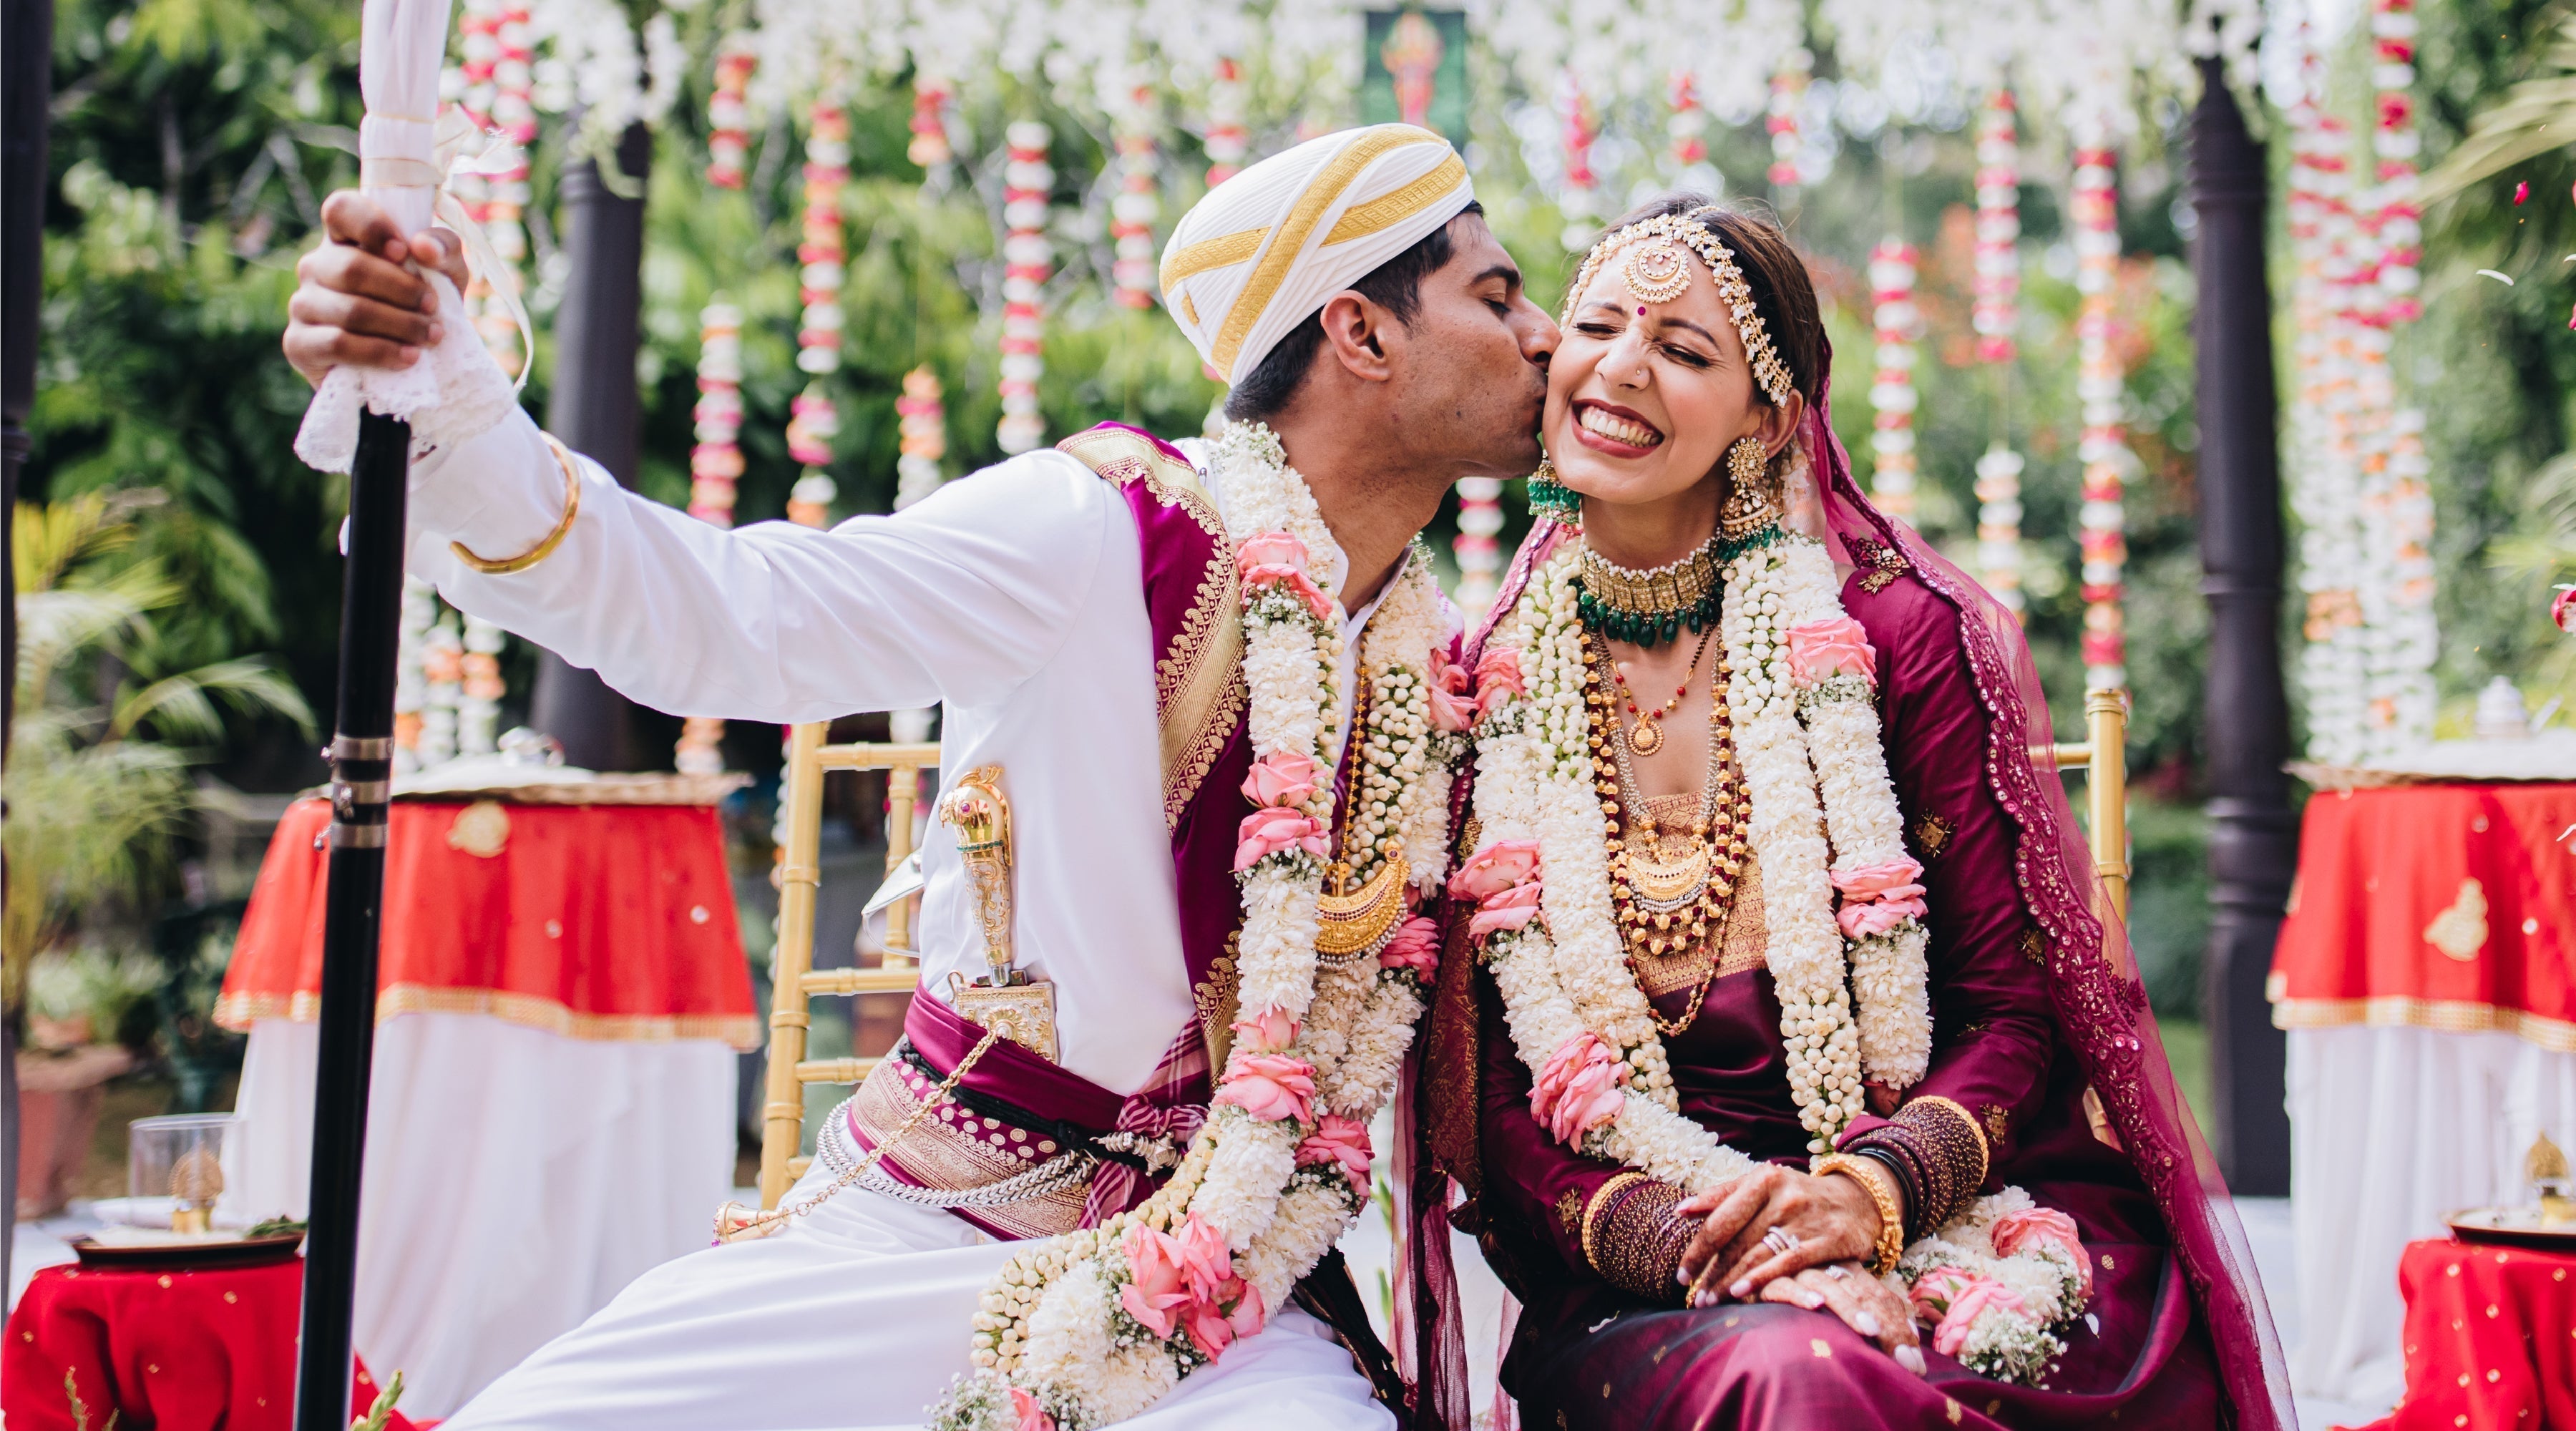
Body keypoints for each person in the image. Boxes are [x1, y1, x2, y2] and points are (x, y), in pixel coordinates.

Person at [282, 124, 1556, 1430]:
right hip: (926, 1238)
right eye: (1498, 295)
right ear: (1362, 332)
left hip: (1217, 1301)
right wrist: (449, 417)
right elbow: (733, 618)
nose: (1547, 337)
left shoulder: (1432, 663)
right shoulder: (1096, 527)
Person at [1405, 196, 2290, 1431]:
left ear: (1770, 416)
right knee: (1794, 1374)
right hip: (1653, 1271)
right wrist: (1716, 1249)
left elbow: (2011, 1005)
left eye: (1685, 349)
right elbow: (1492, 1099)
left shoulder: (1894, 638)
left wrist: (1867, 1198)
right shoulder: (1483, 679)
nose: (1621, 368)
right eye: (1600, 325)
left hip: (1953, 1207)